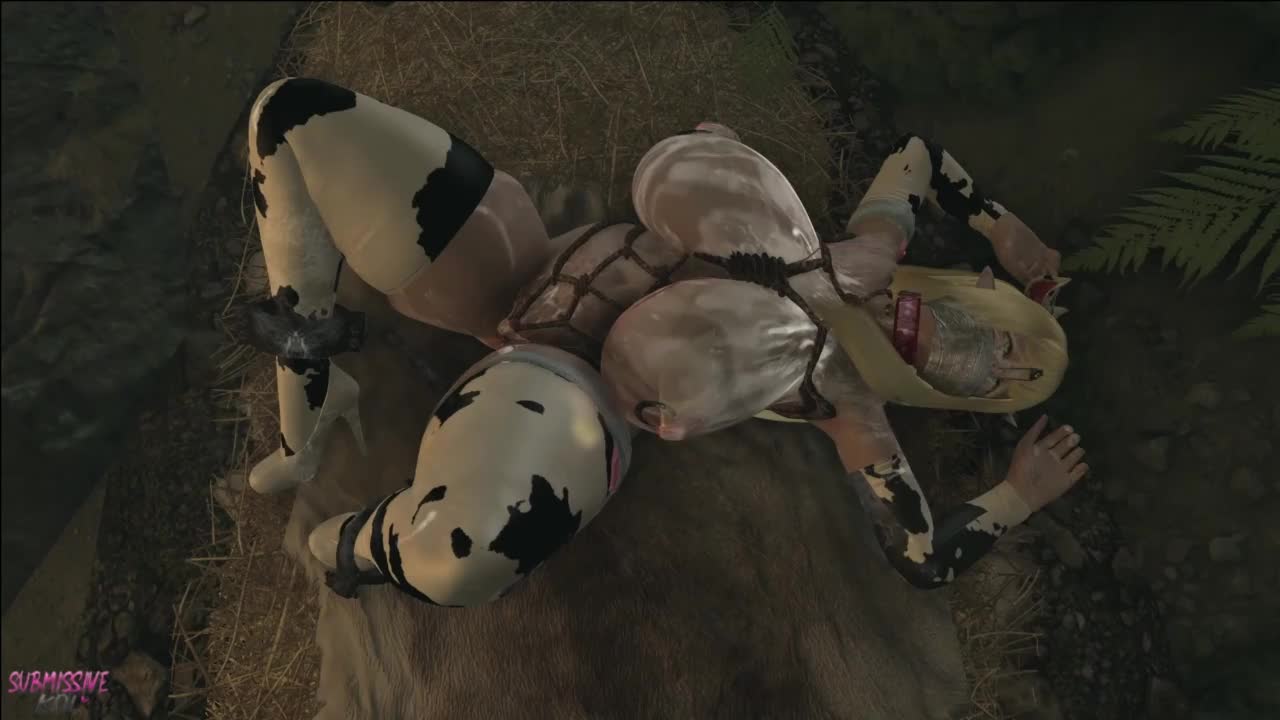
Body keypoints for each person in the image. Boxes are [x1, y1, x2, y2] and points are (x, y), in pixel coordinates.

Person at [237, 77, 1085, 605]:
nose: (980, 348)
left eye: (987, 372)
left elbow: (924, 557)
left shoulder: (847, 404)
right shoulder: (871, 242)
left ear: (942, 395)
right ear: (969, 291)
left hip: (571, 384)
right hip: (514, 262)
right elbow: (919, 156)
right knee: (291, 116)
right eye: (994, 331)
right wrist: (1004, 230)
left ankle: (349, 548)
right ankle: (306, 406)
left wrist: (1019, 494)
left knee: (460, 556)